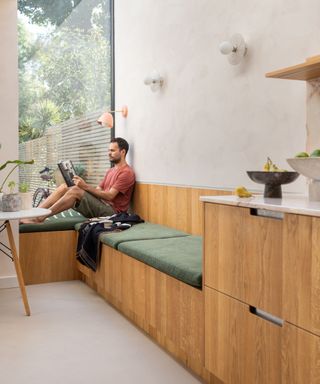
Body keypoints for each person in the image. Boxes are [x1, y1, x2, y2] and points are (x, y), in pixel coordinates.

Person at [21, 137, 135, 224]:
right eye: (108, 150)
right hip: (101, 205)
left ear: (123, 152)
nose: (109, 153)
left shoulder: (126, 173)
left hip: (113, 213)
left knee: (75, 191)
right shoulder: (111, 171)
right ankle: (35, 213)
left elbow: (110, 196)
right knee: (64, 187)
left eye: (112, 150)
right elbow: (99, 190)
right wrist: (80, 186)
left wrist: (84, 187)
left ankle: (41, 217)